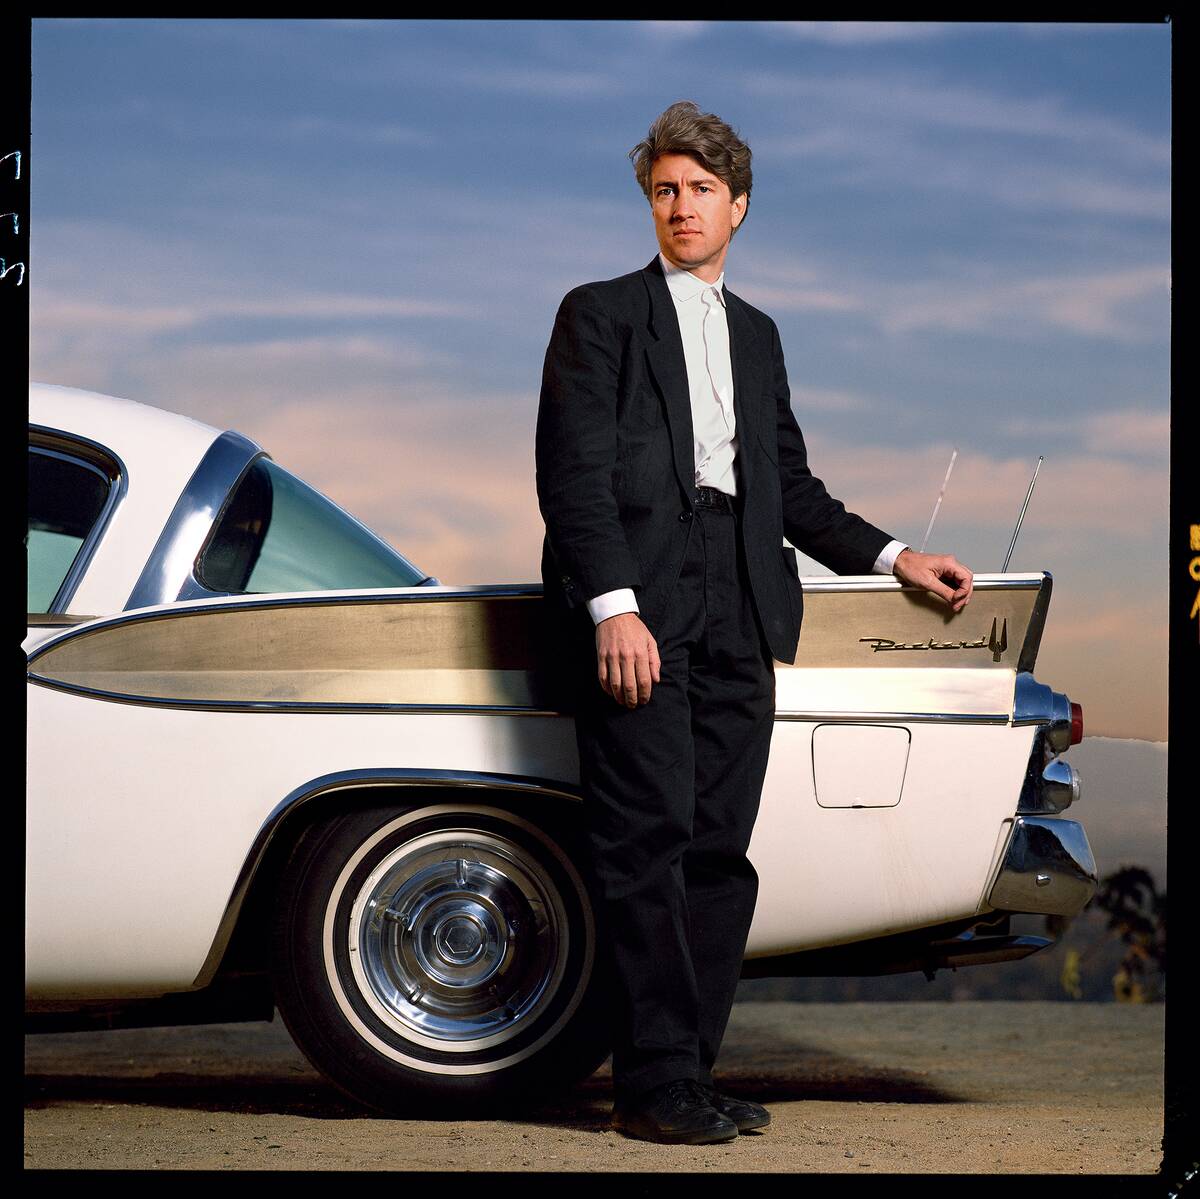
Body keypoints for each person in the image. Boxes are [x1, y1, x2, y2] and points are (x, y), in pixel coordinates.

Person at [534, 100, 973, 1145]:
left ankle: (691, 1071)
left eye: (697, 190)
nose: (678, 207)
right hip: (642, 596)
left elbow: (791, 486)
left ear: (739, 205)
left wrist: (892, 556)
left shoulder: (759, 335)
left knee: (719, 851)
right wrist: (614, 607)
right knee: (649, 837)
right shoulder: (597, 314)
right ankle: (647, 1086)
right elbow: (573, 476)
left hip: (744, 591)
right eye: (662, 191)